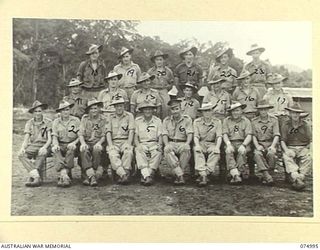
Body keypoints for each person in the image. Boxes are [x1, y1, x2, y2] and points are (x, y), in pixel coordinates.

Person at [18, 101, 52, 187]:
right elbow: (26, 139)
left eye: (39, 111)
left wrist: (44, 147)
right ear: (33, 113)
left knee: (41, 152)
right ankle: (36, 175)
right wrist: (22, 148)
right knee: (21, 155)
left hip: (45, 144)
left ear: (42, 111)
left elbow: (50, 139)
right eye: (35, 111)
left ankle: (33, 177)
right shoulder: (29, 123)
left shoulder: (48, 122)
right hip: (33, 145)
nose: (38, 113)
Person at [280, 102, 312, 191]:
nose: (295, 115)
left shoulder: (305, 125)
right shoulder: (285, 125)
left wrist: (307, 148)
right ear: (290, 114)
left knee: (309, 157)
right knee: (286, 157)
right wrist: (286, 150)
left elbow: (311, 140)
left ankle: (300, 178)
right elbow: (282, 140)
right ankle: (296, 177)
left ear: (300, 114)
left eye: (297, 113)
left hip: (303, 147)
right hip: (290, 147)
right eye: (293, 112)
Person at [162, 98, 193, 185]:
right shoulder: (166, 120)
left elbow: (190, 133)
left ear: (181, 108)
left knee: (186, 149)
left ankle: (178, 174)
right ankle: (180, 175)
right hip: (171, 142)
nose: (175, 111)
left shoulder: (187, 119)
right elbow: (164, 134)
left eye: (176, 108)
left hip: (182, 142)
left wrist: (187, 143)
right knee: (167, 150)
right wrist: (166, 144)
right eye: (172, 109)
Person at [78, 98, 107, 187]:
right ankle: (92, 176)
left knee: (97, 150)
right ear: (88, 110)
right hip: (87, 142)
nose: (94, 110)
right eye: (91, 109)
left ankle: (90, 175)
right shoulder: (85, 118)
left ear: (99, 109)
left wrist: (99, 143)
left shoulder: (103, 119)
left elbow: (104, 135)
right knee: (84, 150)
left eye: (95, 108)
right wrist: (83, 143)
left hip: (99, 142)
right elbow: (81, 133)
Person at [106, 97, 135, 185]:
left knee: (128, 152)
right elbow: (108, 132)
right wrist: (110, 145)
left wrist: (129, 143)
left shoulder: (129, 116)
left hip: (125, 140)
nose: (119, 108)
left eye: (121, 106)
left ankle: (125, 173)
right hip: (114, 141)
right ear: (114, 107)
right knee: (112, 154)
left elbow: (131, 131)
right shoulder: (110, 117)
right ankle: (123, 174)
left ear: (124, 106)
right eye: (117, 106)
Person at [52, 101, 81, 187]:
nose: (65, 112)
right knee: (55, 150)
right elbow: (54, 136)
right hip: (61, 144)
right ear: (60, 112)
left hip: (73, 144)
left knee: (70, 150)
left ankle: (63, 175)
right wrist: (56, 145)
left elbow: (81, 135)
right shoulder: (56, 122)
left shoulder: (76, 120)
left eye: (67, 110)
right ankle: (65, 175)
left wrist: (74, 143)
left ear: (70, 110)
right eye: (63, 110)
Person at [251, 100, 281, 185]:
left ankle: (268, 174)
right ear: (258, 111)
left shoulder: (274, 120)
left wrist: (273, 146)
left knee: (271, 154)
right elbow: (253, 136)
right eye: (261, 110)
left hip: (270, 142)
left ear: (268, 110)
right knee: (257, 154)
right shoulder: (254, 121)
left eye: (265, 109)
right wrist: (257, 146)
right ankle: (267, 175)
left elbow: (276, 135)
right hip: (260, 143)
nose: (263, 112)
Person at [222, 102, 252, 184]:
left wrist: (244, 145)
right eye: (233, 111)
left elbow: (249, 135)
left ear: (241, 111)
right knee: (228, 152)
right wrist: (228, 144)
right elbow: (224, 134)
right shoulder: (226, 120)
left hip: (242, 142)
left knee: (242, 152)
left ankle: (235, 174)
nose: (235, 113)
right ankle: (236, 175)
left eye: (237, 110)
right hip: (231, 142)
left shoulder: (246, 121)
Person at [193, 103, 222, 186]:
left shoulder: (217, 122)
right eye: (205, 111)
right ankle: (203, 174)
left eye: (209, 110)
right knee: (197, 150)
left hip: (212, 143)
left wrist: (217, 147)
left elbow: (219, 136)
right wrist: (197, 145)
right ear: (202, 112)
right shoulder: (197, 122)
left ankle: (204, 174)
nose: (207, 113)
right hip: (201, 142)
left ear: (212, 111)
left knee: (216, 152)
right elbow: (196, 136)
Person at [134, 101, 163, 186]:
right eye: (145, 109)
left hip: (154, 143)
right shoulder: (138, 121)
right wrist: (138, 145)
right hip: (142, 143)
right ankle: (148, 176)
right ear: (142, 111)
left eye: (149, 109)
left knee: (157, 152)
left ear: (153, 110)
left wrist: (160, 145)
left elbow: (160, 135)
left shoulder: (157, 121)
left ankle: (146, 175)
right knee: (139, 152)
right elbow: (135, 136)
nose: (147, 111)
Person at [147, 50, 174, 119]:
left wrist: (166, 88)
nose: (159, 62)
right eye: (157, 60)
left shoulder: (168, 71)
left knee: (167, 107)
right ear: (154, 61)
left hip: (164, 90)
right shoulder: (150, 71)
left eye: (160, 59)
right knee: (152, 107)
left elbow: (171, 82)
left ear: (163, 60)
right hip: (153, 91)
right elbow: (147, 82)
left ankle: (165, 122)